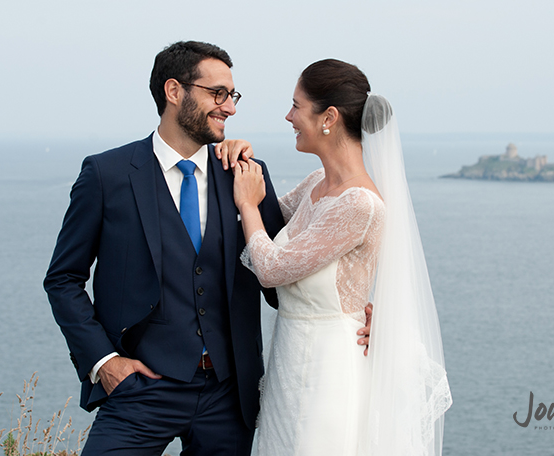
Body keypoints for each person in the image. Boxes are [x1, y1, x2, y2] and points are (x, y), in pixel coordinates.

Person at [43, 42, 371, 456]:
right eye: (218, 94)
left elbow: (284, 272)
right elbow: (63, 279)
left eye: (232, 96)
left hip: (229, 397)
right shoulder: (107, 175)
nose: (230, 108)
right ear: (174, 91)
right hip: (141, 391)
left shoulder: (247, 173)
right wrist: (104, 362)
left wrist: (360, 309)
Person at [231, 59, 452, 455]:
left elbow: (271, 266)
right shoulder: (318, 182)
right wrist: (240, 158)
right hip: (289, 363)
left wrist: (247, 205)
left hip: (328, 373)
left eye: (296, 106)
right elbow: (271, 223)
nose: (288, 116)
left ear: (328, 117)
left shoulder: (361, 205)